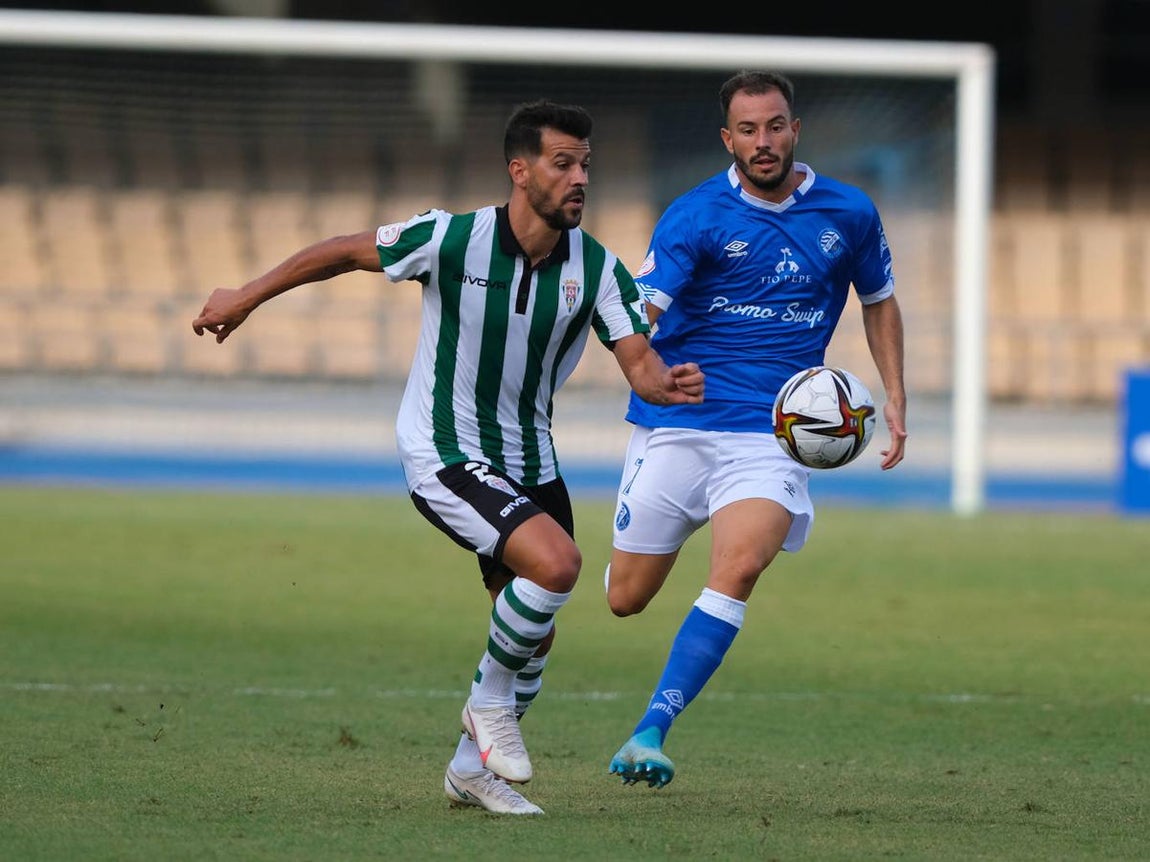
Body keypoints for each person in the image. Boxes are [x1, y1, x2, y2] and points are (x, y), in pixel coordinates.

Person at [191, 99, 704, 815]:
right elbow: (341, 252)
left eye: (586, 164)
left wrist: (667, 385)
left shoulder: (598, 269)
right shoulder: (452, 238)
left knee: (536, 634)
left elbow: (640, 364)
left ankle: (470, 771)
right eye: (563, 164)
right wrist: (246, 296)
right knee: (557, 565)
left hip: (531, 462)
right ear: (520, 171)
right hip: (444, 448)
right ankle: (486, 706)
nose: (580, 178)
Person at [604, 70, 908, 789]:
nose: (763, 141)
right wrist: (646, 371)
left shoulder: (849, 212)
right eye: (748, 130)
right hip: (679, 423)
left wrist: (895, 393)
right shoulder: (694, 215)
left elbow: (879, 300)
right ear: (727, 138)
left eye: (775, 126)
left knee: (738, 568)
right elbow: (638, 314)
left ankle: (651, 730)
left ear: (794, 130)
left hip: (773, 433)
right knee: (625, 597)